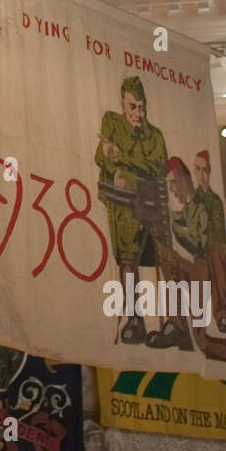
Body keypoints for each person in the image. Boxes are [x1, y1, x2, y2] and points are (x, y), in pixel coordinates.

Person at [144, 157, 226, 363]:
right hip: (197, 275)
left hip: (210, 273)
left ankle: (225, 317)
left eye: (173, 184)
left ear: (184, 179)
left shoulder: (206, 203)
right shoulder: (185, 211)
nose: (172, 190)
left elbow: (202, 243)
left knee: (215, 248)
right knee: (167, 255)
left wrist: (175, 227)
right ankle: (177, 324)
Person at [95, 76, 167, 344]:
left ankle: (171, 320)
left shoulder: (155, 136)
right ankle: (134, 318)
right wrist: (118, 161)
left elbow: (158, 167)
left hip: (150, 203)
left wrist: (123, 159)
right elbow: (101, 156)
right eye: (132, 107)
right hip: (122, 205)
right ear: (123, 105)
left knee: (161, 260)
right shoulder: (113, 123)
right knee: (126, 260)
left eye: (141, 107)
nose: (137, 113)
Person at [192, 150, 226, 335]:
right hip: (198, 247)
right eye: (198, 170)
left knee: (217, 253)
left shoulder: (215, 201)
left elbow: (218, 232)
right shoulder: (192, 198)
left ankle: (224, 314)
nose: (201, 175)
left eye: (205, 170)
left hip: (211, 247)